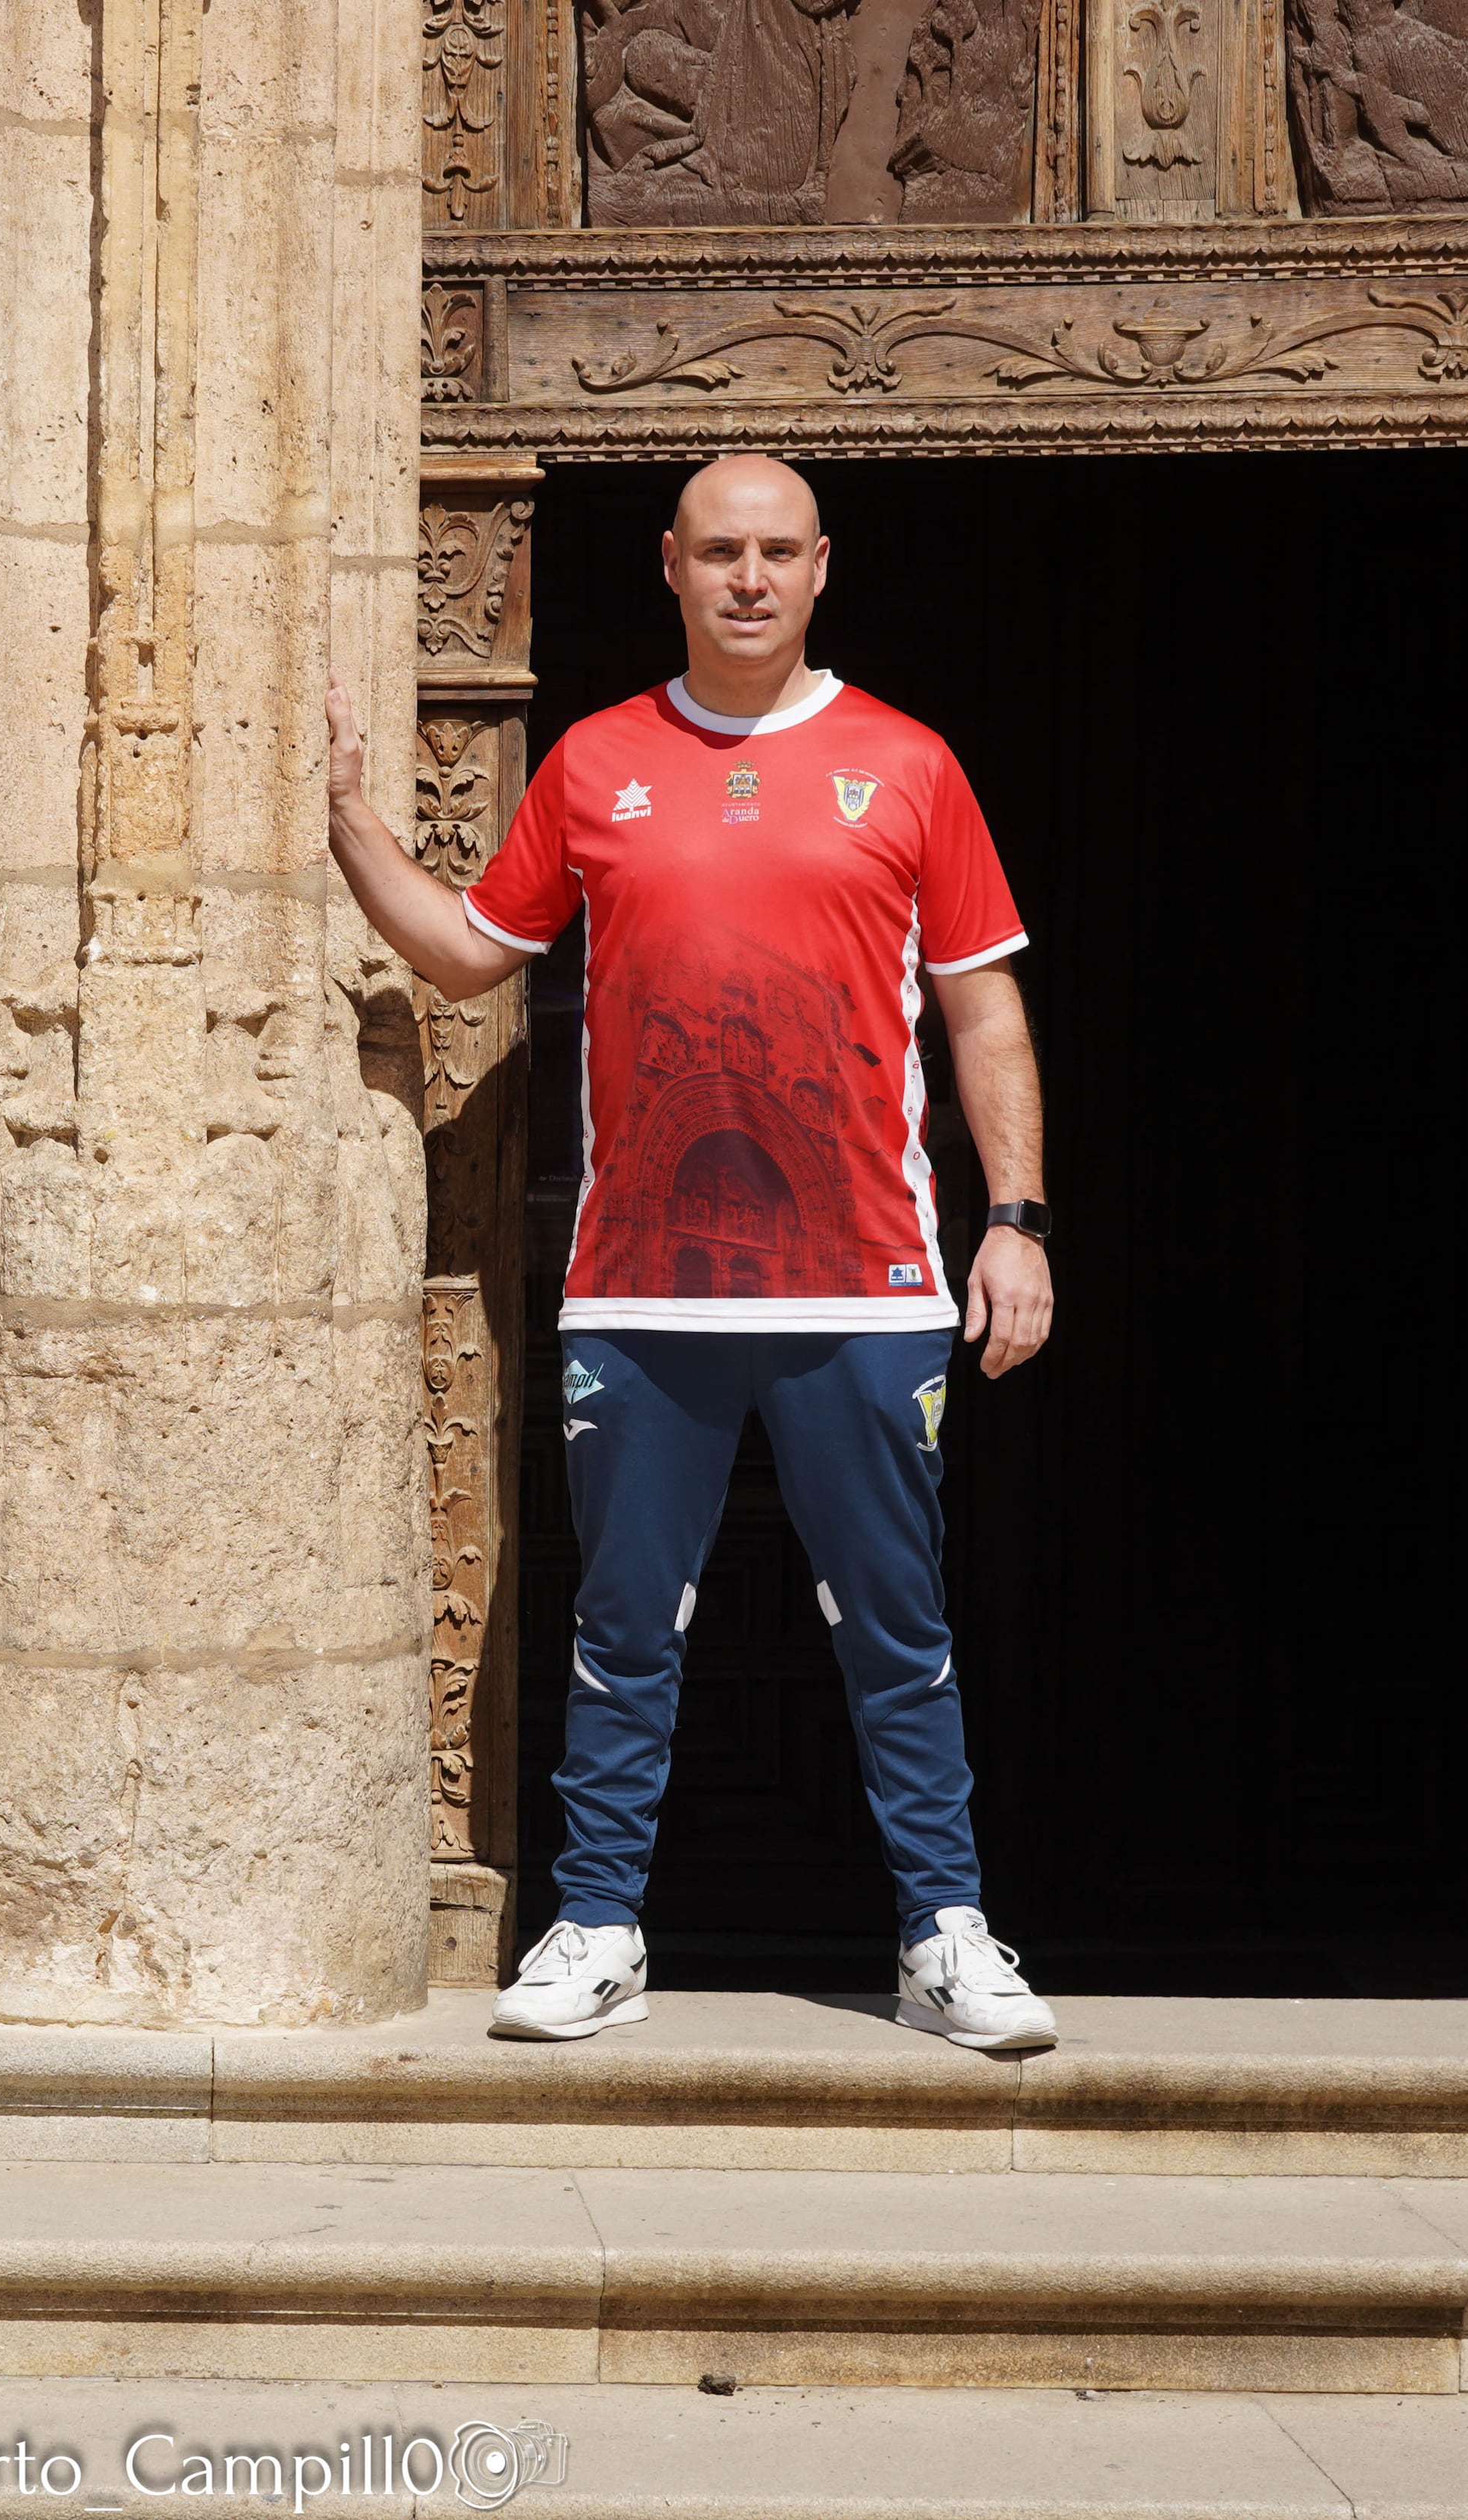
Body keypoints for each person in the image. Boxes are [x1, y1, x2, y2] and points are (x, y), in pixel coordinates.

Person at [321, 453, 1059, 2051]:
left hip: (865, 1278)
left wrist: (1013, 1220)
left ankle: (944, 1930)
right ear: (667, 564)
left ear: (818, 570)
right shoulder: (597, 761)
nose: (745, 577)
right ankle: (596, 1923)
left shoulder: (906, 763)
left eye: (774, 552)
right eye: (717, 549)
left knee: (893, 1619)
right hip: (641, 1281)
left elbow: (981, 1003)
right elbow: (467, 955)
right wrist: (349, 824)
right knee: (622, 1623)